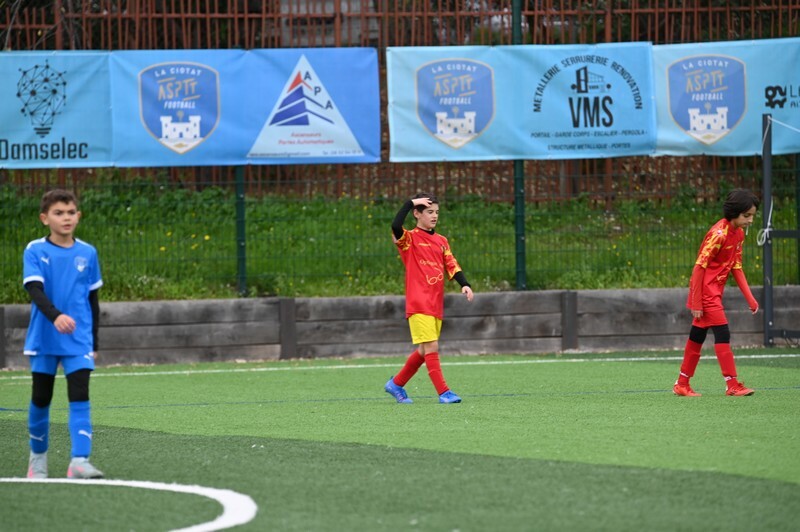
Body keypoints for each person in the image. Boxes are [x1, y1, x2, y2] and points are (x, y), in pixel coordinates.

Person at [23, 189, 105, 479]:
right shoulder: (35, 250)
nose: (66, 218)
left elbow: (93, 300)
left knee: (80, 395)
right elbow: (35, 289)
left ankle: (79, 461)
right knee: (41, 398)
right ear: (45, 218)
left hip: (78, 339)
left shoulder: (88, 252)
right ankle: (37, 460)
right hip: (44, 336)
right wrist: (55, 316)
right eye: (58, 213)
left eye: (71, 212)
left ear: (78, 216)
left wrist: (94, 341)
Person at [384, 193, 474, 404]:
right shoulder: (409, 239)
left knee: (424, 351)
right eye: (429, 212)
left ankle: (396, 384)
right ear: (417, 214)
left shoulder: (442, 241)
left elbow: (452, 264)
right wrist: (410, 203)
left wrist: (465, 284)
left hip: (435, 303)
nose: (434, 216)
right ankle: (444, 393)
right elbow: (395, 226)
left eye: (437, 212)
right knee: (431, 347)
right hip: (418, 303)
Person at [673, 188, 760, 397]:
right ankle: (732, 384)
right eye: (746, 215)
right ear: (734, 212)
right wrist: (696, 302)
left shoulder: (738, 234)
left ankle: (682, 383)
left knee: (697, 337)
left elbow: (736, 267)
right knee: (723, 334)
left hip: (714, 292)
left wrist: (750, 298)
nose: (750, 220)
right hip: (706, 294)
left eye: (752, 216)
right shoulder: (718, 234)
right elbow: (699, 267)